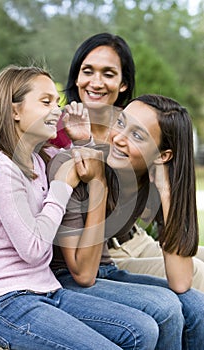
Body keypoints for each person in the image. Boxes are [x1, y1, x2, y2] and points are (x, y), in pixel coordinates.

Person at [0, 65, 161, 350]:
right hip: (5, 303)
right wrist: (61, 186)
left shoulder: (39, 158)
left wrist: (81, 139)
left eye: (56, 103)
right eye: (45, 102)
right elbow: (34, 251)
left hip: (46, 290)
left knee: (142, 329)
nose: (56, 111)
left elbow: (89, 168)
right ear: (14, 111)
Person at [50, 31, 204, 291]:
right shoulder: (54, 130)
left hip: (135, 240)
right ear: (76, 77)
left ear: (123, 83)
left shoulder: (137, 121)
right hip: (97, 253)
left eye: (108, 74)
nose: (96, 83)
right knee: (199, 277)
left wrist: (165, 190)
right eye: (87, 71)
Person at [47, 94, 204, 350]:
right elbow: (82, 275)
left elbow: (181, 282)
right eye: (120, 123)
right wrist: (99, 184)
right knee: (165, 309)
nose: (119, 138)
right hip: (62, 278)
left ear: (163, 156)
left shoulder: (147, 179)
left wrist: (166, 193)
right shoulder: (77, 165)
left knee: (198, 307)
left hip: (105, 273)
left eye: (138, 136)